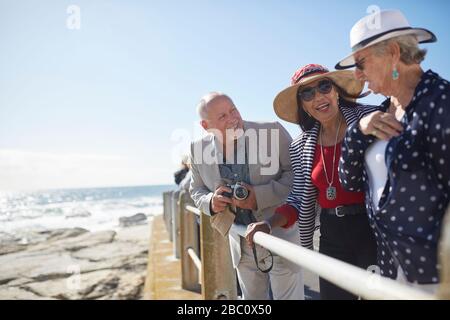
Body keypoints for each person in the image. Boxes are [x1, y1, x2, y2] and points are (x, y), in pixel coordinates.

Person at [336, 9, 450, 293]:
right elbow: (348, 181)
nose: (357, 75)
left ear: (395, 53)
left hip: (435, 277)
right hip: (391, 266)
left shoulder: (441, 102)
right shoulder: (380, 113)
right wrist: (357, 130)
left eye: (361, 63)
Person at [245, 64, 378, 300]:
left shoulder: (370, 119)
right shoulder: (299, 146)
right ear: (303, 106)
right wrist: (269, 223)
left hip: (373, 229)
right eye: (307, 93)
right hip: (332, 234)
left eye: (324, 86)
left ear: (337, 91)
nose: (318, 96)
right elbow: (297, 198)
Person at [189, 92, 304, 300]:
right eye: (222, 116)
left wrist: (259, 196)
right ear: (206, 126)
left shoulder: (273, 131)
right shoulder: (197, 150)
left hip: (279, 235)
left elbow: (298, 174)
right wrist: (211, 202)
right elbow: (195, 190)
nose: (233, 118)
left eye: (233, 110)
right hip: (241, 243)